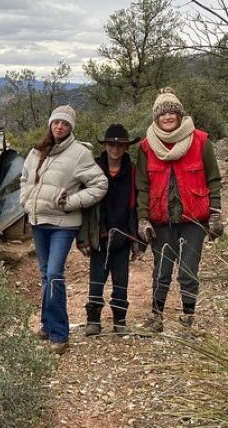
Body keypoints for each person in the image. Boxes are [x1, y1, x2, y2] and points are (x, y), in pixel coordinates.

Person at [21, 105, 108, 354]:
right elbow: (24, 178)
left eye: (65, 124)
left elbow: (100, 184)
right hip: (38, 221)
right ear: (50, 124)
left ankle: (60, 334)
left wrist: (70, 203)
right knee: (45, 276)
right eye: (56, 122)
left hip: (63, 224)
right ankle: (47, 326)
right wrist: (25, 200)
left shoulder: (79, 153)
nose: (59, 127)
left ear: (71, 128)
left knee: (55, 275)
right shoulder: (37, 151)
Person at [137, 87, 223, 332]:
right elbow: (142, 185)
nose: (167, 118)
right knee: (161, 270)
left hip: (194, 219)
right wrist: (143, 219)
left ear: (179, 115)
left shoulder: (200, 140)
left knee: (188, 270)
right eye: (162, 114)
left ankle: (188, 316)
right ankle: (156, 316)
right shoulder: (146, 146)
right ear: (156, 118)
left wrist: (215, 213)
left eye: (172, 113)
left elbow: (213, 179)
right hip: (161, 219)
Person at [77, 124, 140, 336]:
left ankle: (120, 320)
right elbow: (84, 208)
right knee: (97, 278)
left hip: (123, 233)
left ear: (126, 147)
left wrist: (138, 239)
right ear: (105, 145)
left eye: (120, 145)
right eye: (111, 144)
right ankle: (93, 320)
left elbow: (138, 205)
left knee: (121, 280)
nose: (115, 149)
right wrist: (82, 237)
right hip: (99, 234)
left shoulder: (132, 172)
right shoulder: (93, 168)